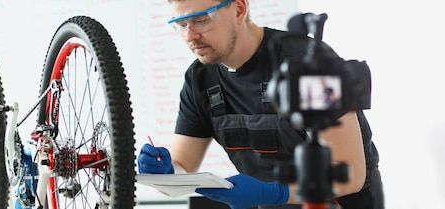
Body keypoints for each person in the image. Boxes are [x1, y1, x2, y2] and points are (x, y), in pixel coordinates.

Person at [137, 0, 384, 209]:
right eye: (182, 24)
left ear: (238, 9)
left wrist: (273, 192)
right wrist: (166, 173)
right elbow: (182, 168)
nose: (190, 36)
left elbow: (349, 173)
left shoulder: (306, 62)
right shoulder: (200, 79)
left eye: (201, 20)